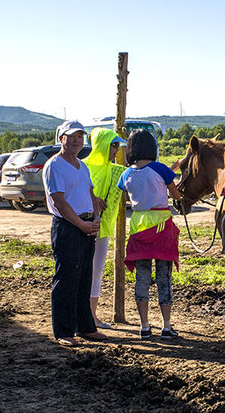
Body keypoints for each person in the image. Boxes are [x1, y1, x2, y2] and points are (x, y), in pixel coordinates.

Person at [44, 120, 107, 346]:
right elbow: (59, 202)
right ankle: (63, 332)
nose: (76, 140)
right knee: (66, 279)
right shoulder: (55, 165)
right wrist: (81, 224)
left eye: (80, 136)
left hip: (87, 226)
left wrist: (96, 218)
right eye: (71, 136)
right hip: (68, 227)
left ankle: (85, 327)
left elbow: (91, 193)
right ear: (61, 138)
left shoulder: (82, 166)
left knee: (84, 278)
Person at [118, 129, 182, 339]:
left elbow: (139, 186)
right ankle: (166, 326)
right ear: (152, 147)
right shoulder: (160, 169)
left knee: (142, 279)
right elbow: (175, 193)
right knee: (164, 278)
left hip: (139, 226)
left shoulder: (125, 174)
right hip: (161, 227)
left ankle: (144, 326)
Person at [84, 127, 127, 329]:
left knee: (97, 271)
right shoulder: (82, 167)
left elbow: (135, 175)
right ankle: (81, 314)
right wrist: (92, 199)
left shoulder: (114, 170)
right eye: (113, 145)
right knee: (82, 270)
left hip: (101, 229)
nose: (115, 150)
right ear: (102, 145)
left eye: (117, 146)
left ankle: (91, 315)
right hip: (81, 227)